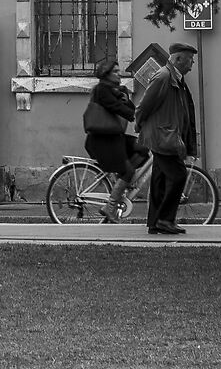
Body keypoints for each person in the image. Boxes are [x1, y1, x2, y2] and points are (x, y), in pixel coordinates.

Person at [135, 42, 199, 236]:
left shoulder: (176, 78)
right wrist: (139, 125)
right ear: (178, 59)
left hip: (166, 135)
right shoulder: (163, 77)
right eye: (190, 59)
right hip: (162, 137)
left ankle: (155, 222)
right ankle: (165, 220)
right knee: (179, 175)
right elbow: (144, 105)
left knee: (159, 180)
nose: (192, 63)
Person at [81, 53, 139, 215]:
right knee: (128, 170)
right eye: (115, 71)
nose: (119, 74)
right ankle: (110, 206)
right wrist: (129, 109)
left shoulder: (115, 90)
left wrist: (124, 96)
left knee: (142, 149)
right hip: (102, 142)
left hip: (114, 138)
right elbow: (119, 109)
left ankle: (122, 182)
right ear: (106, 74)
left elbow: (130, 109)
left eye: (119, 71)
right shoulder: (102, 90)